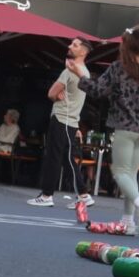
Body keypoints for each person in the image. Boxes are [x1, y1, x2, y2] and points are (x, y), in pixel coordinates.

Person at [68, 26, 139, 235]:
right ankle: (128, 221)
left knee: (120, 173)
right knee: (131, 174)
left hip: (122, 127)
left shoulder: (119, 67)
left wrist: (80, 75)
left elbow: (98, 90)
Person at [27, 38, 94, 208]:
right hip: (70, 121)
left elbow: (51, 93)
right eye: (71, 44)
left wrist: (56, 95)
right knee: (66, 158)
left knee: (54, 157)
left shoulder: (69, 72)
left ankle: (47, 195)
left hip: (62, 118)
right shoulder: (85, 73)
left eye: (75, 45)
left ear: (83, 52)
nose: (70, 46)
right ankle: (83, 195)